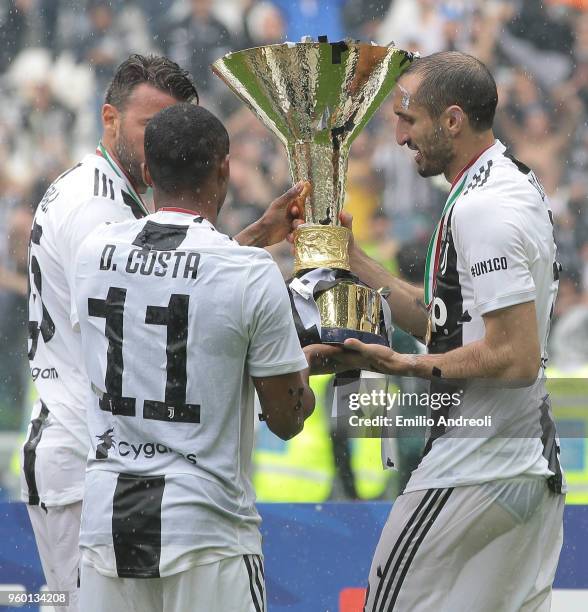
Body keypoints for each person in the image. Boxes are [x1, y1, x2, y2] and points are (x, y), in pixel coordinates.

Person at [22, 54, 307, 611]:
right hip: (93, 452)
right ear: (109, 118)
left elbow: (164, 281)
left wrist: (247, 241)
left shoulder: (103, 211)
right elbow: (158, 303)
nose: (165, 135)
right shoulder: (96, 209)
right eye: (151, 125)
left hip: (110, 472)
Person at [306, 51, 565, 611]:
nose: (399, 136)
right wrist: (353, 259)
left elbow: (516, 357)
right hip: (524, 465)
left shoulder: (484, 208)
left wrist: (408, 367)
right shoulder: (503, 183)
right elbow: (440, 323)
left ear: (452, 120)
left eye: (408, 118)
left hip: (473, 464)